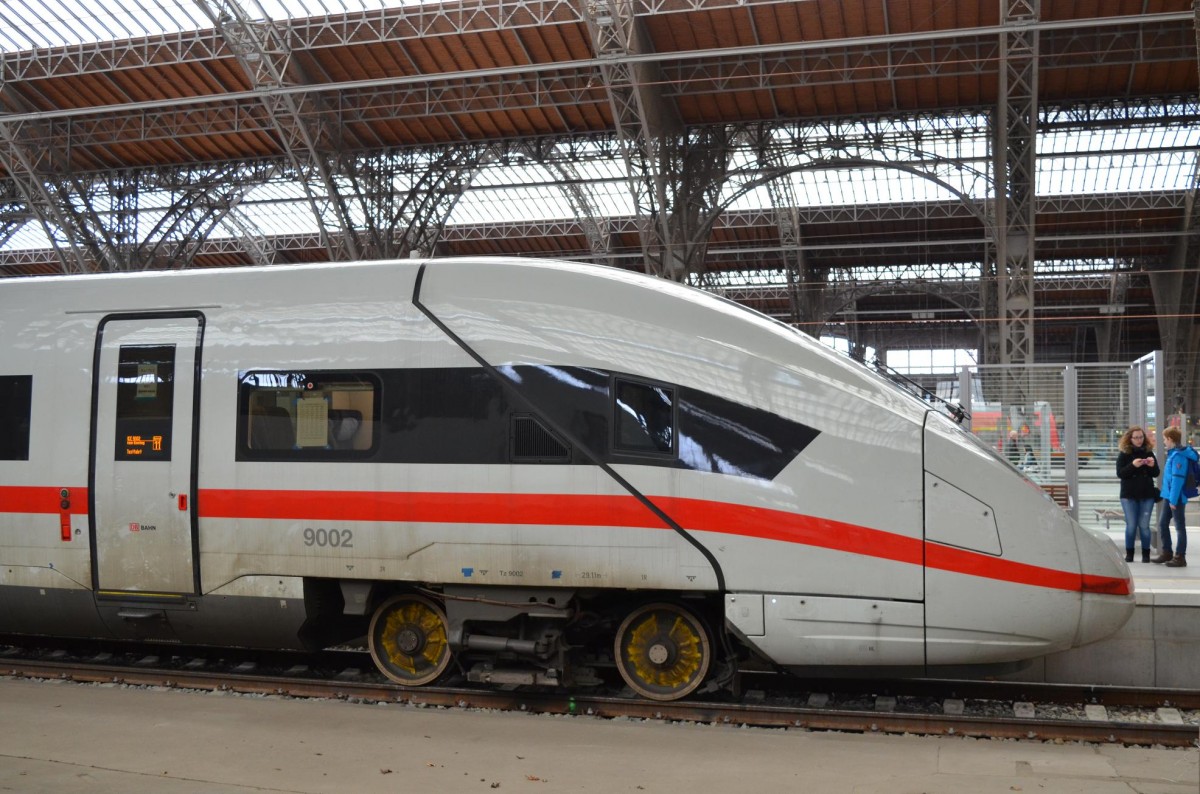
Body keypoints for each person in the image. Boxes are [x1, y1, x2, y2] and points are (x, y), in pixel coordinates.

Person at [1151, 427, 1200, 567]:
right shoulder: (1174, 453)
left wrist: (1173, 500)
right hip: (1169, 495)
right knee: (1162, 523)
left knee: (1179, 527)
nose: (1164, 441)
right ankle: (1167, 552)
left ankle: (1180, 557)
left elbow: (1177, 479)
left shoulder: (1178, 456)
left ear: (1170, 439)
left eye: (1165, 439)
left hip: (1176, 497)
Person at [1115, 426, 1159, 563]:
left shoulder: (1149, 453)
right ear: (1130, 439)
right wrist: (1133, 465)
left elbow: (1156, 473)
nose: (1139, 440)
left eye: (1141, 437)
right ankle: (1130, 554)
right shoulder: (1124, 454)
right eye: (1136, 438)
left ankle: (1146, 554)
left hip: (1147, 495)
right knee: (1131, 525)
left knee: (1144, 525)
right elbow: (1120, 474)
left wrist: (1151, 466)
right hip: (1128, 496)